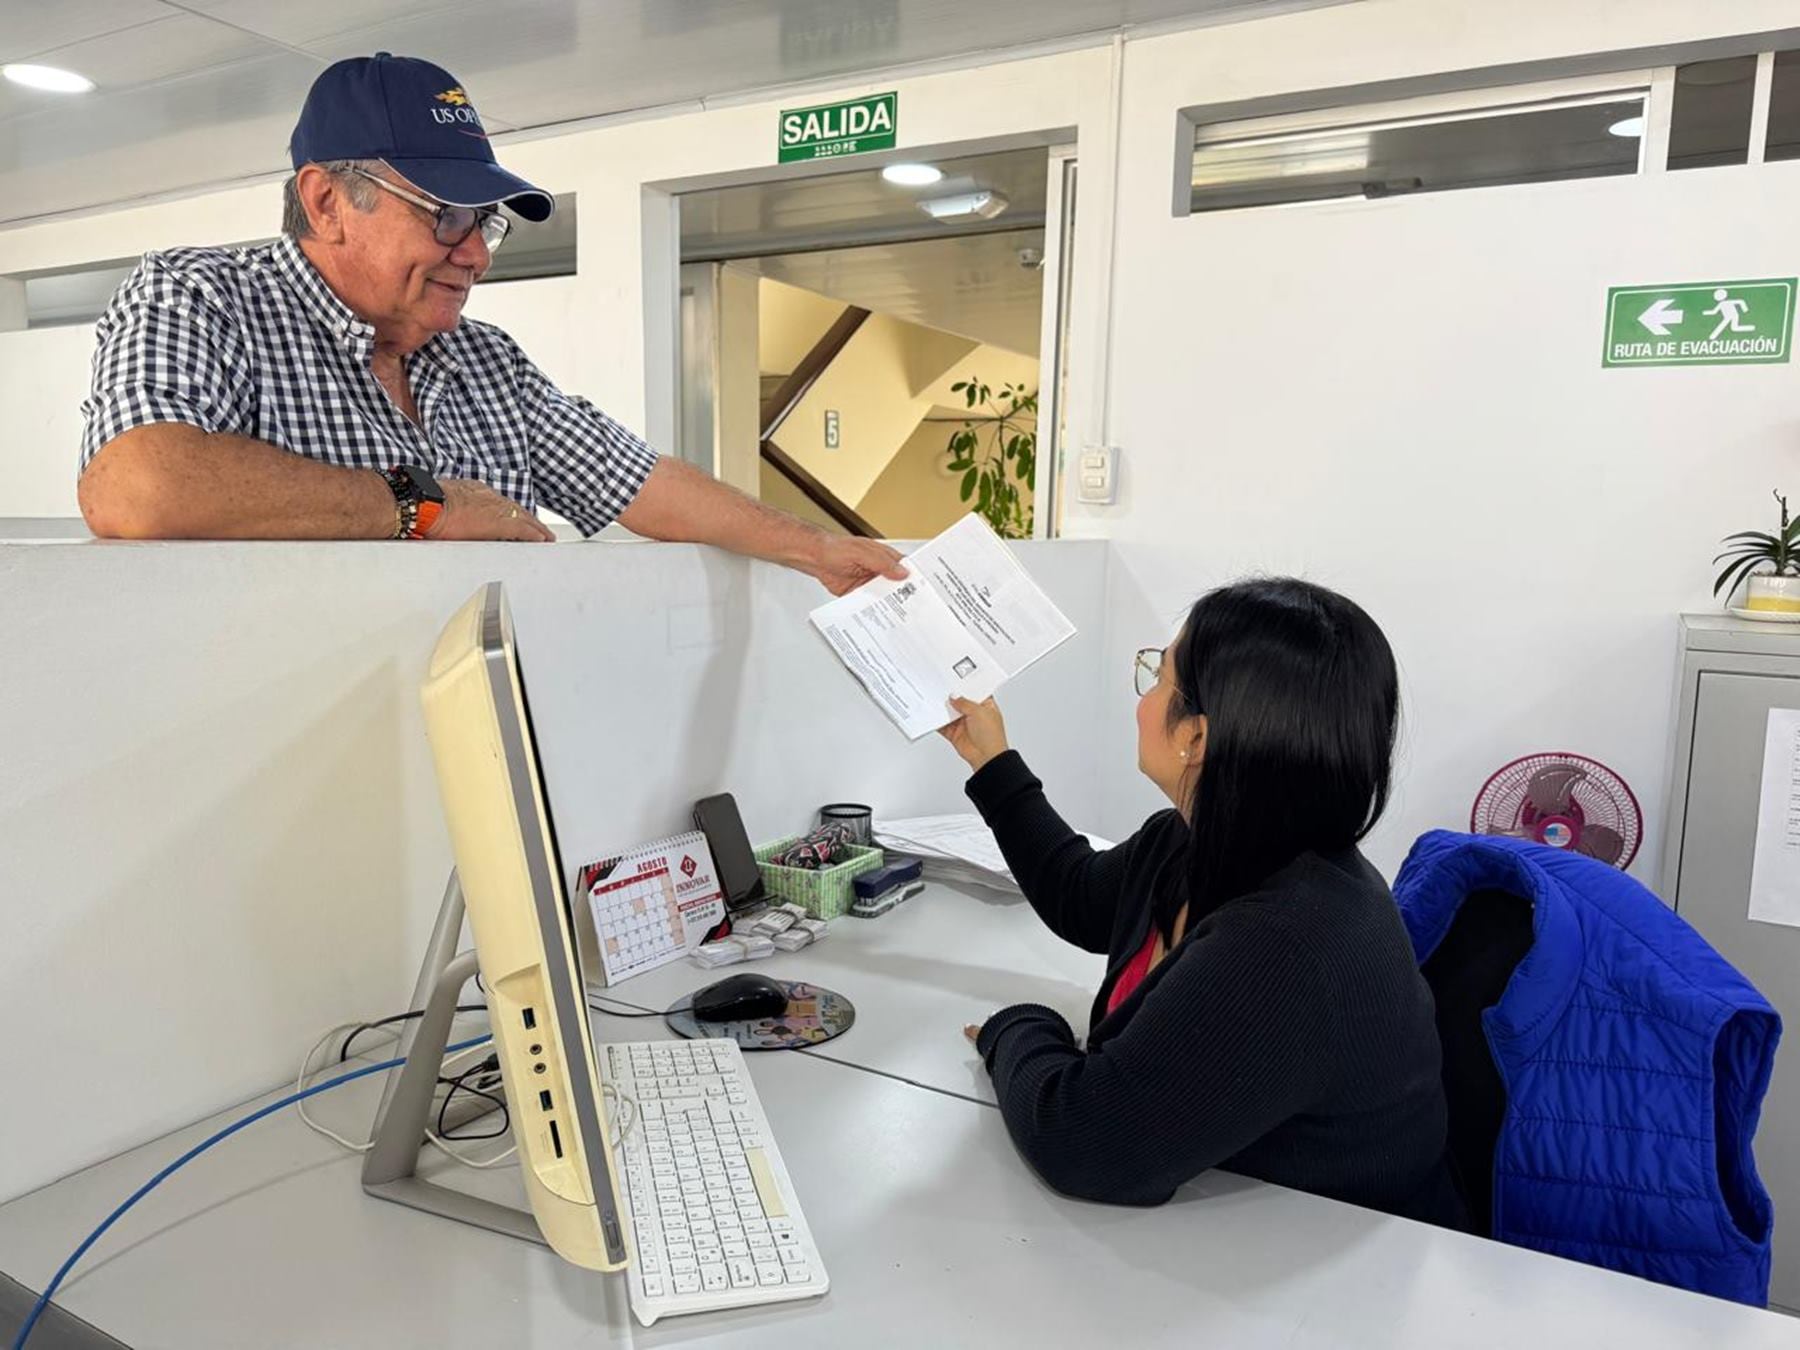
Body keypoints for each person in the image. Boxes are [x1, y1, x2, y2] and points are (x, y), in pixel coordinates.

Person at [74, 52, 904, 597]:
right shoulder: (201, 296)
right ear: (327, 201)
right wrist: (420, 506)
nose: (475, 254)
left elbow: (638, 480)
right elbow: (137, 488)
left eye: (487, 224)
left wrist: (817, 552)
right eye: (445, 217)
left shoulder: (486, 362)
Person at [939, 577, 1464, 1226]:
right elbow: (1080, 895)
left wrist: (1018, 1027)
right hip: (1224, 1230)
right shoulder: (1194, 844)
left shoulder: (1290, 944)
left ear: (1196, 739)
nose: (1142, 700)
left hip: (1337, 1273)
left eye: (1156, 678)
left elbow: (1081, 1139)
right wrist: (990, 760)